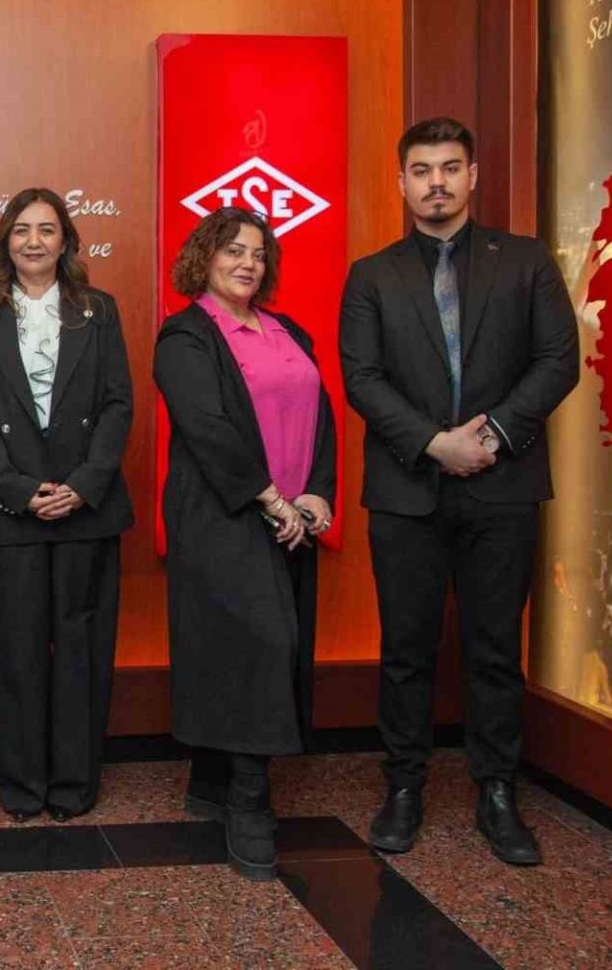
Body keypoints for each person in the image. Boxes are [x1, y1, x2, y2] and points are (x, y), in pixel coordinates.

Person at [339, 118, 579, 866]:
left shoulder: (526, 261)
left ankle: (497, 791)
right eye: (421, 170)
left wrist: (494, 435)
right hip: (406, 489)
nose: (436, 182)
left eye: (449, 168)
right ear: (401, 182)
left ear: (473, 177)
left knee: (495, 648)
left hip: (503, 486)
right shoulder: (371, 275)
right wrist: (435, 443)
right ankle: (404, 786)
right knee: (406, 648)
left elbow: (558, 359)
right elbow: (362, 379)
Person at [154, 207, 337, 881]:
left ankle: (208, 780)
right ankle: (248, 802)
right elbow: (208, 428)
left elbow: (323, 416)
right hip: (222, 518)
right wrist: (270, 499)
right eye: (233, 250)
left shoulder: (290, 332)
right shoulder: (185, 336)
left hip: (293, 521)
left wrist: (316, 494)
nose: (248, 263)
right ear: (205, 257)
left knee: (257, 648)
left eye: (259, 253)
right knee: (258, 647)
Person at [0, 188, 133, 822]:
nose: (34, 241)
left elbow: (118, 404)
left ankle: (75, 785)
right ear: (6, 241)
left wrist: (84, 483)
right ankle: (23, 785)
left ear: (66, 242)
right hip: (11, 511)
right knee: (20, 654)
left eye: (47, 229)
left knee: (82, 650)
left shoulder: (98, 310)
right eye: (22, 229)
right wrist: (18, 489)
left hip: (87, 508)